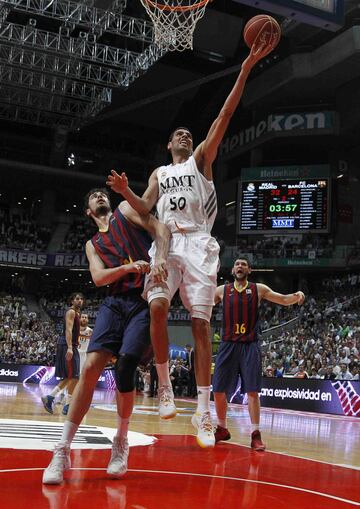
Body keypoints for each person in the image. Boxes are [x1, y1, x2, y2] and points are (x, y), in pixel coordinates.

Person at [106, 43, 271, 448]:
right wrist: (127, 191)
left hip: (199, 244)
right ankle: (163, 385)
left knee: (200, 326)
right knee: (157, 307)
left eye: (189, 134)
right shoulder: (161, 172)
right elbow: (145, 208)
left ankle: (201, 411)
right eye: (178, 133)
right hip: (166, 243)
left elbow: (225, 115)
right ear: (168, 144)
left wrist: (246, 66)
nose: (185, 135)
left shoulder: (200, 161)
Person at [42, 188, 170, 484]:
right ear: (88, 211)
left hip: (142, 300)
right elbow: (99, 278)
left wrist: (160, 257)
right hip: (114, 303)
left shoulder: (126, 211)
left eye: (102, 193)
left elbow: (160, 228)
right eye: (93, 196)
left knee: (125, 367)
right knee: (89, 368)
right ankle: (62, 450)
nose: (100, 196)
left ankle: (120, 443)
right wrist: (128, 267)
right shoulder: (92, 244)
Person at [213, 257, 305, 450]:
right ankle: (222, 428)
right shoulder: (222, 290)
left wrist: (296, 295)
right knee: (218, 390)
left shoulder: (258, 289)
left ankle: (255, 434)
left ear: (249, 270)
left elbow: (282, 299)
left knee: (252, 391)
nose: (240, 266)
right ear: (232, 271)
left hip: (249, 345)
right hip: (227, 344)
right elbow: (203, 304)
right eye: (237, 264)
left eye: (243, 264)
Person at [41, 292, 84, 416]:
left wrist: (76, 342)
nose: (80, 301)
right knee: (75, 376)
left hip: (70, 345)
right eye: (77, 299)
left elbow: (75, 331)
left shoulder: (77, 313)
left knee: (70, 376)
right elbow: (68, 330)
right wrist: (70, 347)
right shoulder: (71, 312)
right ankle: (67, 405)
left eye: (81, 299)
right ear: (72, 301)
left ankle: (50, 398)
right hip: (66, 345)